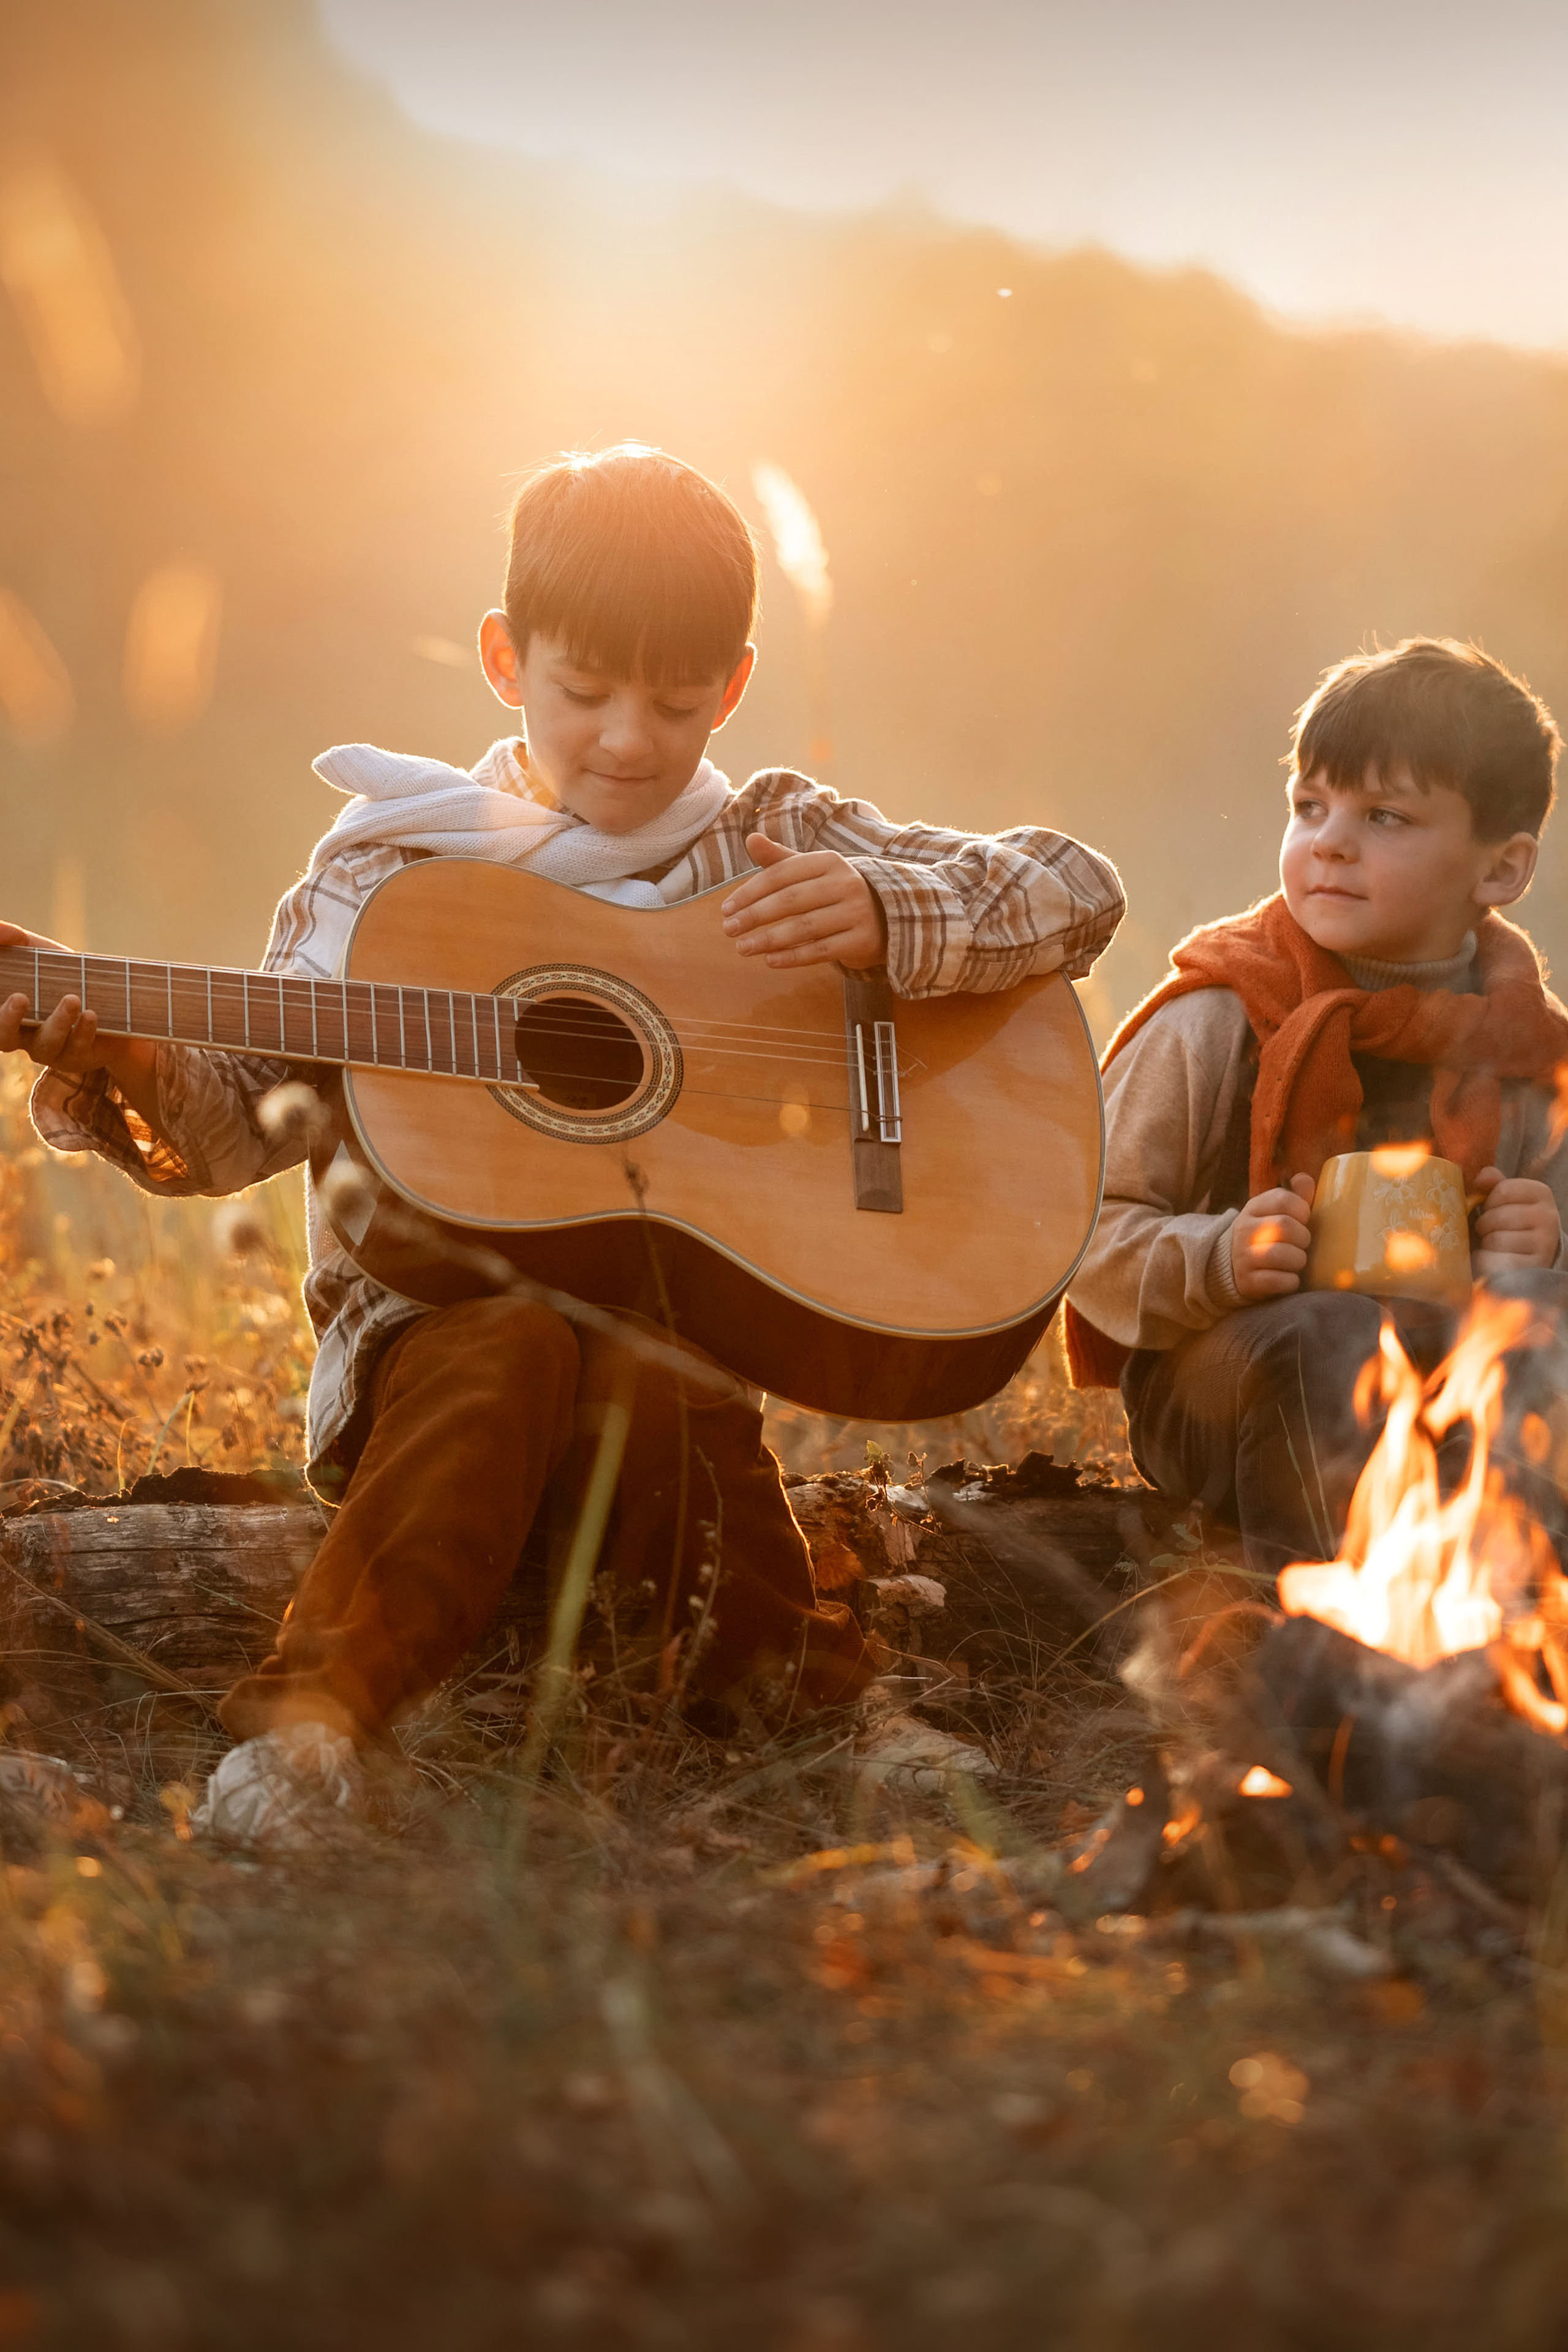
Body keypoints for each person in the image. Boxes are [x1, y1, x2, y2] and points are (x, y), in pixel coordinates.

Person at [1, 444, 1125, 1844]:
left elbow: (1074, 889)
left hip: (668, 1367)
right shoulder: (391, 875)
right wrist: (128, 1046)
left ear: (732, 685)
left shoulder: (771, 836)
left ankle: (823, 1712)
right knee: (517, 1340)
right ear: (501, 657)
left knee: (648, 1367)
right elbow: (236, 1128)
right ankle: (305, 1738)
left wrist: (892, 915)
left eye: (672, 702)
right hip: (435, 1364)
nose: (628, 741)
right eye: (583, 692)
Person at [1066, 636, 1568, 1580]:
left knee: (1538, 1313)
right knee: (1328, 1334)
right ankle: (1329, 1641)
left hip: (1446, 1393)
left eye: (1385, 816)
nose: (1329, 841)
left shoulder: (1531, 1051)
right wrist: (1220, 1257)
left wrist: (1551, 1246)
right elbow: (1083, 1236)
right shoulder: (1222, 1013)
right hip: (1238, 1383)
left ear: (1499, 871)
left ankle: (1519, 1625)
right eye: (1310, 807)